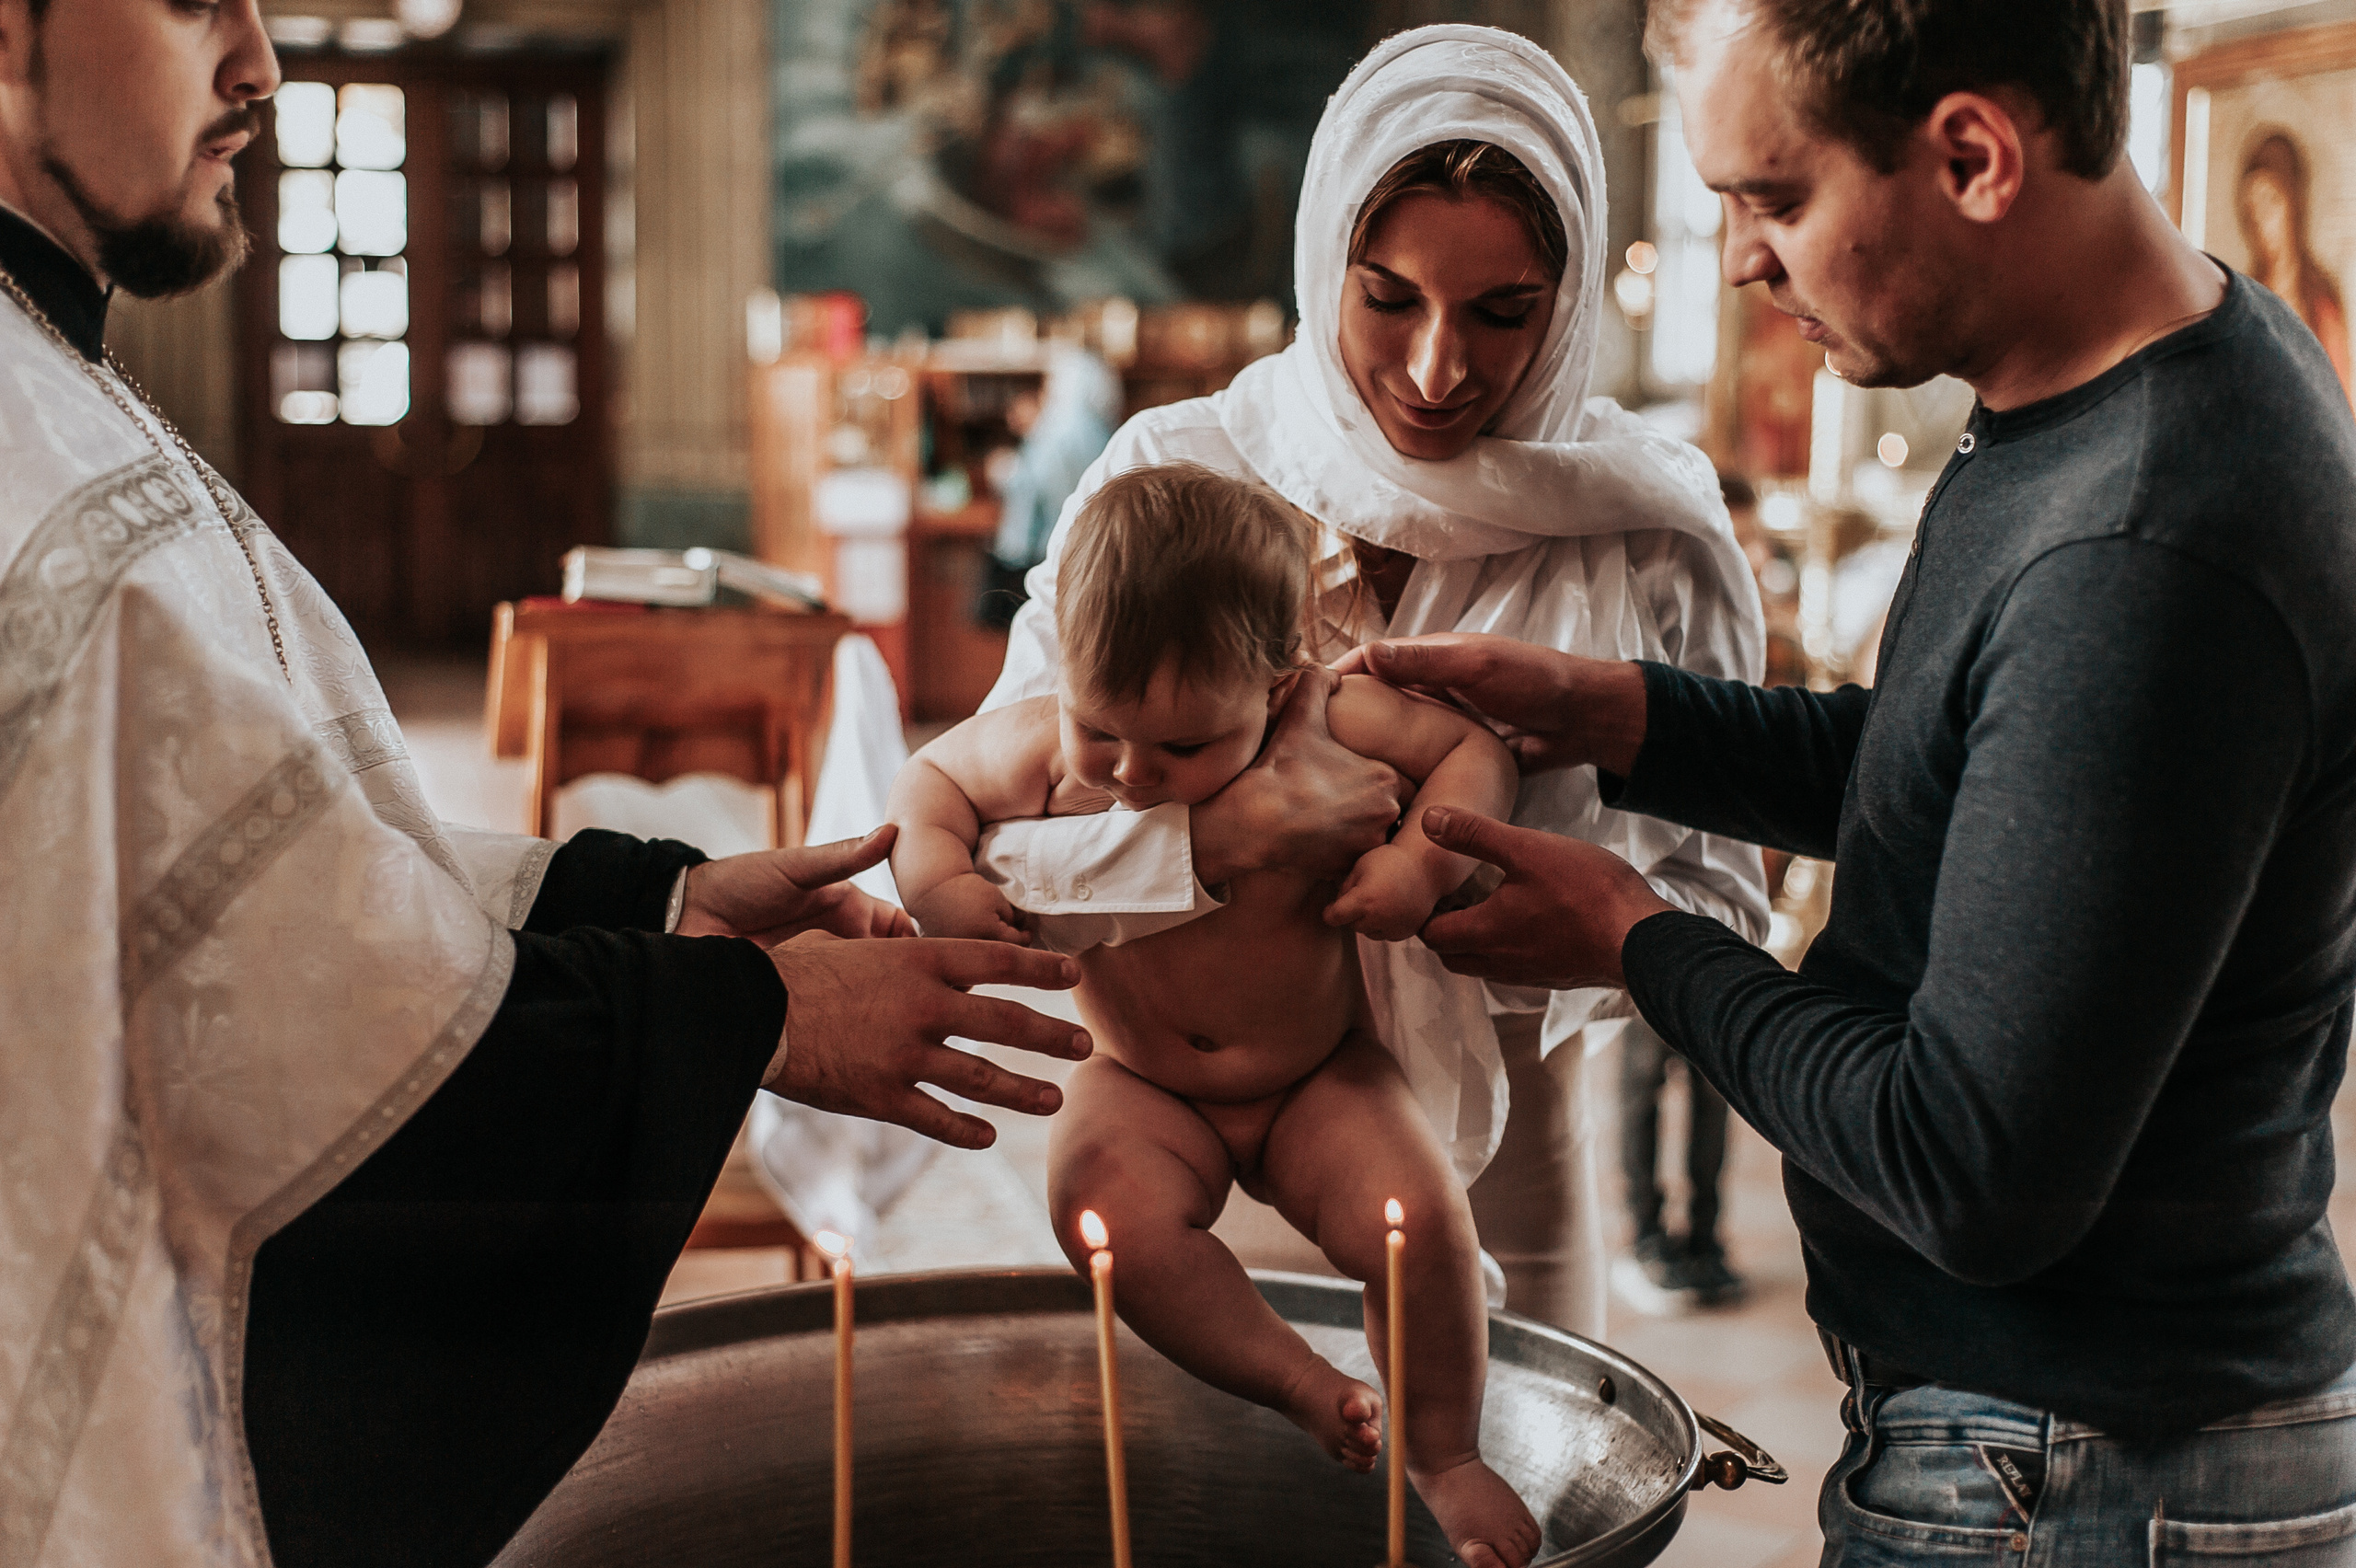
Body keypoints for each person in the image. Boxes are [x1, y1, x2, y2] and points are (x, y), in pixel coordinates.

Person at [0, 2, 1093, 1564]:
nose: (259, 65)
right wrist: (746, 1009)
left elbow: (223, 884)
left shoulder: (47, 371)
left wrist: (654, 898)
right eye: (194, 2)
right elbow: (293, 1049)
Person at [1341, 0, 2356, 1553]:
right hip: (2061, 1437)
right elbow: (1959, 779)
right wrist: (1623, 711)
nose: (1744, 257)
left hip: (2081, 1469)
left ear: (1971, 155)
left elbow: (1970, 1167)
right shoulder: (2106, 391)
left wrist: (1637, 938)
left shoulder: (2144, 551)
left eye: (1776, 197)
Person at [970, 24, 1769, 1341]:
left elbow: (1718, 903)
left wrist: (1557, 920)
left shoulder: (1644, 530)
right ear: (1320, 256)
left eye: (1504, 314)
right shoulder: (1174, 475)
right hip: (1194, 1147)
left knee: (1498, 1494)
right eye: (1387, 297)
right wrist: (1221, 844)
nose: (1438, 370)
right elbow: (995, 854)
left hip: (1502, 1148)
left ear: (1566, 308)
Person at [889, 463, 1538, 1568]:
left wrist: (1420, 866)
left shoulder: (1331, 712)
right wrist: (944, 888)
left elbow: (1475, 756)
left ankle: (1445, 1453)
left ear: (1277, 682)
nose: (1133, 775)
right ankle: (1294, 1381)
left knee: (1421, 1228)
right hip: (1137, 1079)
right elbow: (925, 789)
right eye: (1108, 733)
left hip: (1317, 1075)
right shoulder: (1051, 742)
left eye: (1183, 748)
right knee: (1108, 1223)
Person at [2236, 130, 2354, 405]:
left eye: (2271, 202)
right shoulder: (2245, 300)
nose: (2261, 222)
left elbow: (2342, 401)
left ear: (2294, 202)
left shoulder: (2321, 302)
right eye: (2252, 207)